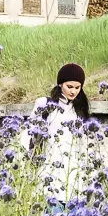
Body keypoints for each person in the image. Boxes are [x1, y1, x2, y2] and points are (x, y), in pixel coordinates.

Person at [31, 62, 91, 201]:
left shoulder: (80, 110)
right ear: (60, 84)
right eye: (69, 87)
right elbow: (30, 136)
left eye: (77, 87)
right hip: (49, 174)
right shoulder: (44, 104)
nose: (73, 91)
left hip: (75, 180)